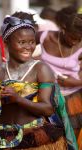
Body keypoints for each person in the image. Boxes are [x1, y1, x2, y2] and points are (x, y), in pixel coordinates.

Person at [0, 15, 78, 150]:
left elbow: (48, 109)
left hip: (32, 137)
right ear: (6, 41)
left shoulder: (40, 69)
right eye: (22, 42)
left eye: (31, 42)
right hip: (0, 137)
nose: (28, 47)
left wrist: (18, 99)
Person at [36, 6, 82, 149]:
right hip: (47, 95)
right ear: (63, 29)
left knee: (72, 138)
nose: (74, 42)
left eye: (79, 39)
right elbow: (22, 42)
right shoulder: (44, 36)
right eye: (72, 37)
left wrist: (75, 81)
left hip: (73, 98)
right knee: (49, 137)